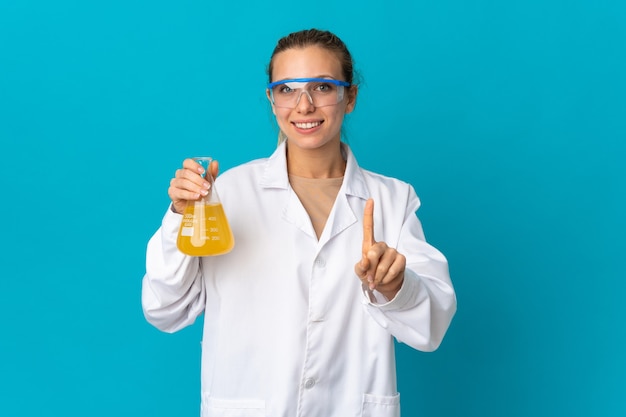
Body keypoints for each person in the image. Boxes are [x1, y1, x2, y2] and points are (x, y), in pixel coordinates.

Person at [142, 28, 456, 417]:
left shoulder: (393, 199)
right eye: (287, 89)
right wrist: (179, 216)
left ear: (350, 97)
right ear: (271, 100)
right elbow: (164, 309)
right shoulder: (228, 193)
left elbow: (432, 327)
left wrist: (395, 287)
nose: (304, 105)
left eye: (322, 87)